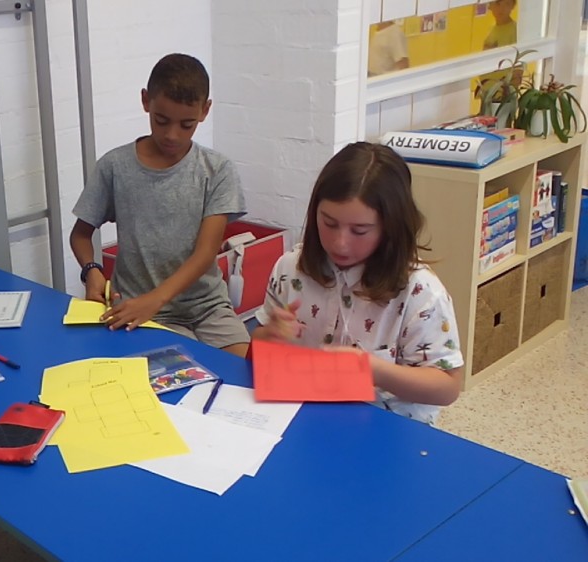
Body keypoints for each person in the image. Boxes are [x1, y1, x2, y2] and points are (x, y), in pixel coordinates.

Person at [251, 143, 463, 424]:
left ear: (390, 227)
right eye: (329, 223)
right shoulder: (291, 267)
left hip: (387, 426)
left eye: (360, 231)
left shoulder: (420, 292)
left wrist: (372, 369)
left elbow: (448, 388)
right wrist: (269, 336)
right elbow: (257, 350)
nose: (340, 243)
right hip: (304, 415)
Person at [69, 53, 249, 357]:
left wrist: (156, 298)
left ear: (205, 110)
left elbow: (206, 252)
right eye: (161, 121)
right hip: (139, 310)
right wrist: (91, 270)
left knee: (243, 372)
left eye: (186, 125)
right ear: (145, 101)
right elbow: (80, 235)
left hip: (208, 307)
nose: (171, 135)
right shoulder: (115, 167)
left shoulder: (217, 170)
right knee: (179, 375)